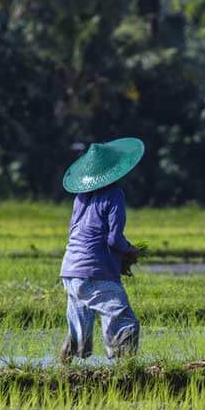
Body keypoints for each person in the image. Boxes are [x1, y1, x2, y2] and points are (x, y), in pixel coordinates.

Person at [59, 137, 145, 361]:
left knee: (79, 330)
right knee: (123, 319)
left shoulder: (80, 197)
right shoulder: (115, 194)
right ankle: (127, 376)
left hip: (70, 270)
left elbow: (74, 233)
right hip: (94, 270)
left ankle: (64, 373)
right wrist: (130, 251)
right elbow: (114, 239)